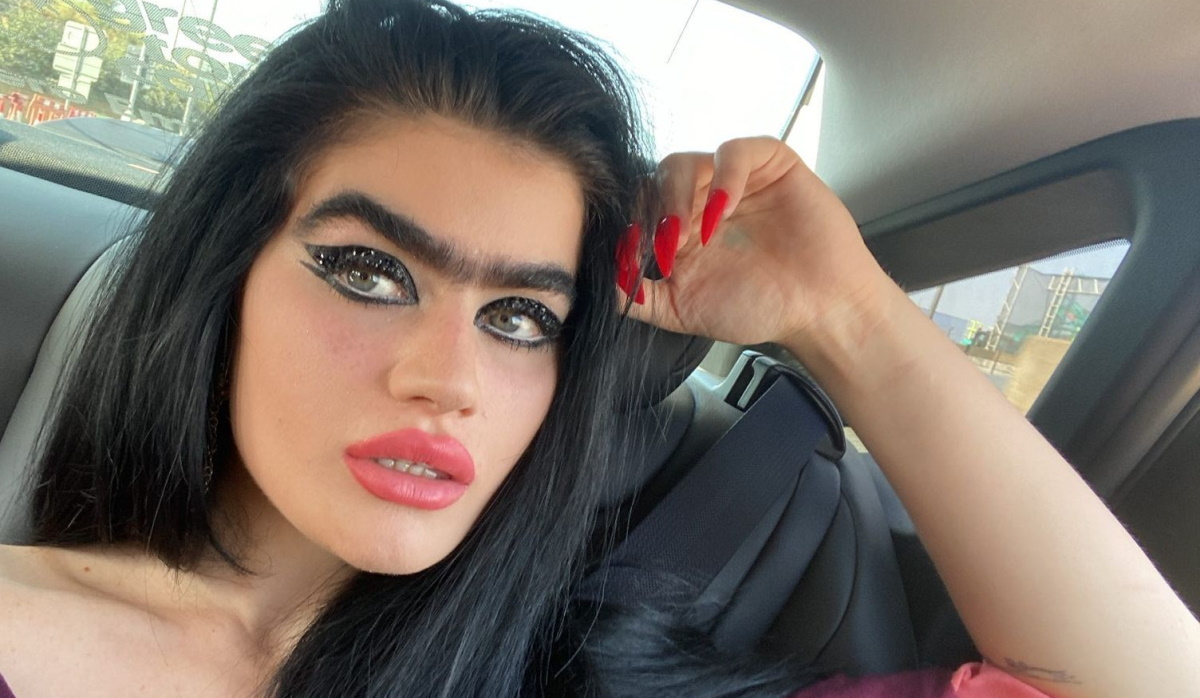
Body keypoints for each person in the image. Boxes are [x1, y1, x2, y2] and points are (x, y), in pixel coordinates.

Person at [0, 0, 1196, 696]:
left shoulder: (589, 674)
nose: (448, 379)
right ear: (226, 273)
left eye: (522, 316)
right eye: (369, 270)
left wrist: (846, 313)